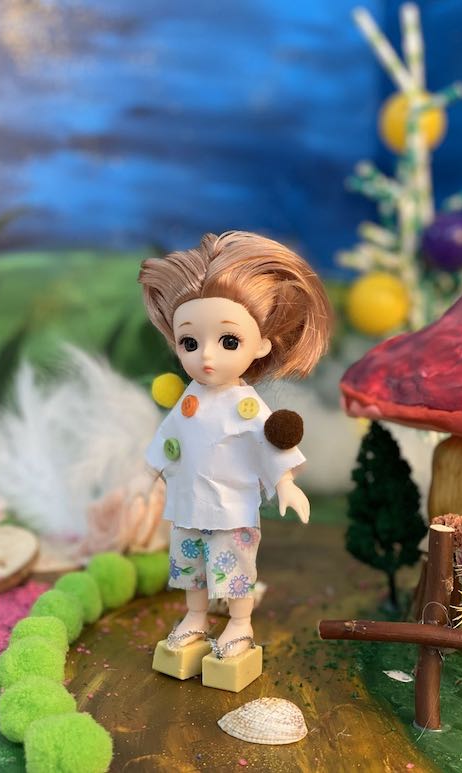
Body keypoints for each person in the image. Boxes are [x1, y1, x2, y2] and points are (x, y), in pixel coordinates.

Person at [139, 231, 332, 660]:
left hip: (231, 508)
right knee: (189, 566)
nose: (206, 356)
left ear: (260, 344)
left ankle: (240, 623)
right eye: (190, 343)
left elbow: (271, 442)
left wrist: (285, 483)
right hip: (188, 503)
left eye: (228, 341)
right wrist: (148, 476)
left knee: (234, 570)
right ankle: (195, 616)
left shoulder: (247, 406)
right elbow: (168, 441)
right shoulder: (188, 400)